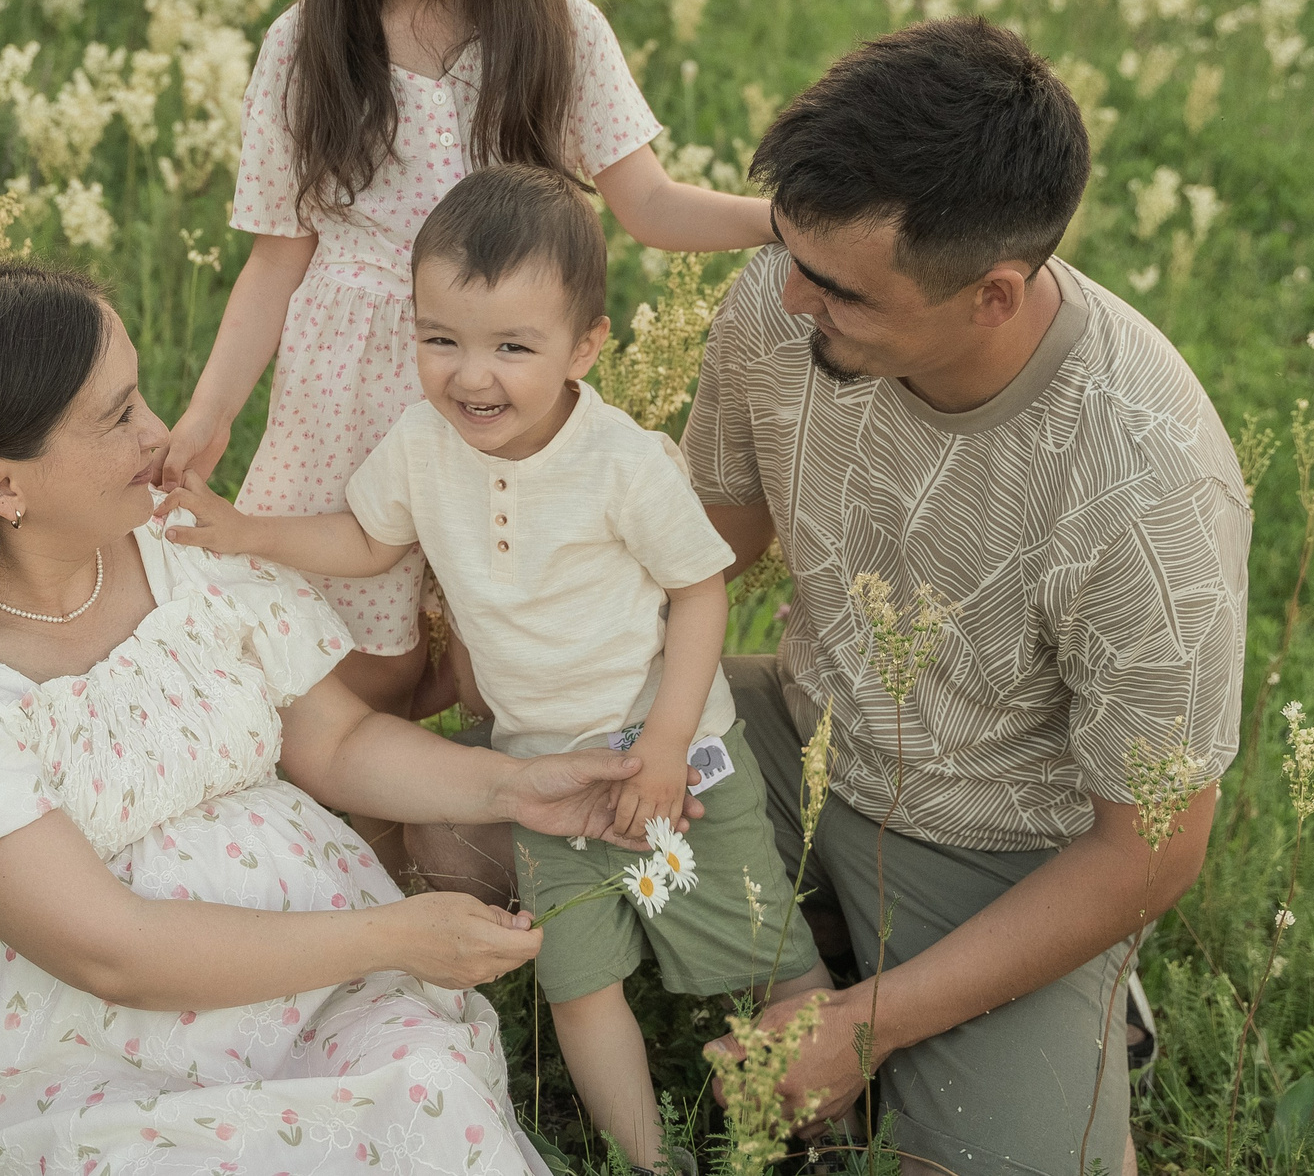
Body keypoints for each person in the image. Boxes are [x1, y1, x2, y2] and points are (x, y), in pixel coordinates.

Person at [0, 261, 683, 1173]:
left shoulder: (180, 549)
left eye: (140, 394)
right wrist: (398, 935)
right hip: (86, 1036)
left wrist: (517, 786)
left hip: (316, 977)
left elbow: (337, 739)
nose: (159, 431)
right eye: (118, 416)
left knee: (424, 1094)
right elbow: (111, 951)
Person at [168, 167, 828, 1176]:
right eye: (441, 340)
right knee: (579, 986)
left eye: (512, 347)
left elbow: (698, 591)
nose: (471, 376)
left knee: (764, 951)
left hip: (674, 757)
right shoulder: (421, 444)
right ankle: (649, 1162)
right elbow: (369, 539)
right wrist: (247, 532)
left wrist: (664, 744)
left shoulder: (620, 461)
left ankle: (822, 1124)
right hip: (542, 773)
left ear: (584, 346)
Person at [688, 19, 1248, 1176]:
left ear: (992, 296)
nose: (788, 299)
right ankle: (829, 948)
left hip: (1007, 855)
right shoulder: (778, 305)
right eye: (788, 251)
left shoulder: (1149, 487)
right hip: (797, 737)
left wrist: (862, 1029)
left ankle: (994, 1003)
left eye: (839, 290)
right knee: (477, 827)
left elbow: (1149, 850)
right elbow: (708, 553)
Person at [159, 0, 773, 741]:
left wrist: (787, 221)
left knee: (503, 652)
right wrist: (210, 416)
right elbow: (275, 260)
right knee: (367, 656)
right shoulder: (305, 45)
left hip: (502, 385)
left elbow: (650, 204)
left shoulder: (559, 32)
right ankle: (375, 813)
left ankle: (487, 806)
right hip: (347, 386)